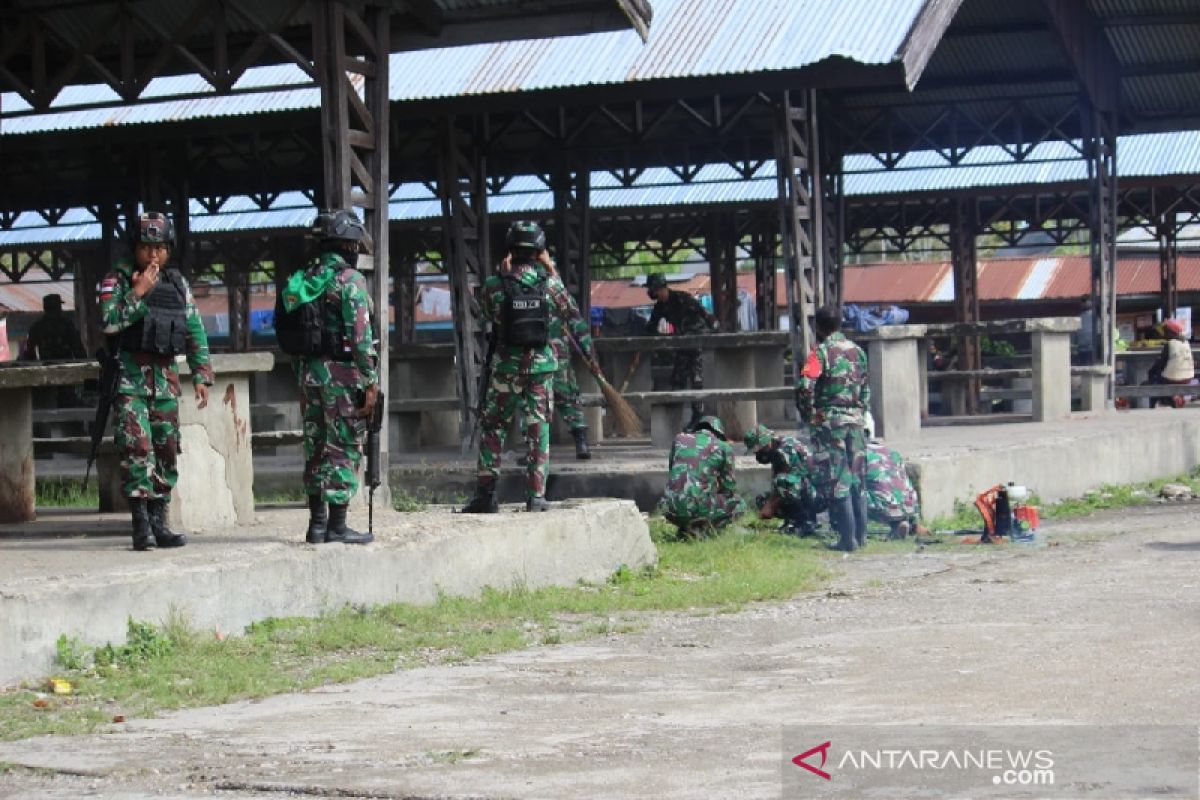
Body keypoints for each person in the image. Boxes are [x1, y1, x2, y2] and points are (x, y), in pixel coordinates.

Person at [98, 210, 213, 551]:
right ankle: (140, 525)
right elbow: (108, 323)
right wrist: (138, 294)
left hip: (165, 380)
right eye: (147, 247)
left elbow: (194, 329)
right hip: (129, 379)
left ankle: (160, 521)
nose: (153, 255)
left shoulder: (177, 283)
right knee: (137, 449)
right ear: (134, 247)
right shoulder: (115, 281)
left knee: (165, 448)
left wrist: (202, 373)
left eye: (160, 248)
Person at [462, 221, 594, 513]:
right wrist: (551, 270)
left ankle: (486, 495)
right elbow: (569, 312)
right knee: (538, 429)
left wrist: (502, 273)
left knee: (492, 428)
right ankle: (535, 497)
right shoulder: (551, 284)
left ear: (509, 249)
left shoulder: (495, 285)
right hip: (539, 370)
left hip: (505, 370)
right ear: (540, 250)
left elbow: (486, 312)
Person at [281, 209, 379, 545]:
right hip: (341, 375)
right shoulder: (349, 280)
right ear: (349, 244)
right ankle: (337, 526)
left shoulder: (304, 279)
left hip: (310, 374)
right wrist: (371, 379)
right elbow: (362, 336)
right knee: (343, 445)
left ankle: (317, 525)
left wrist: (302, 376)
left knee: (316, 445)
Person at [796, 305, 871, 553]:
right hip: (856, 420)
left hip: (831, 423)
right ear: (840, 324)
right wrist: (860, 411)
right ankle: (862, 537)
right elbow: (866, 388)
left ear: (817, 326)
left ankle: (847, 539)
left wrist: (810, 415)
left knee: (838, 478)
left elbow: (805, 385)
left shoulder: (821, 353)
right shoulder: (858, 351)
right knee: (858, 478)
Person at [644, 273, 718, 429]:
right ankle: (673, 420)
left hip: (697, 338)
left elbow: (705, 314)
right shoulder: (660, 306)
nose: (650, 292)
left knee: (696, 380)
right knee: (677, 379)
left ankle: (698, 416)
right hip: (682, 343)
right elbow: (651, 327)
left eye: (652, 289)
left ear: (659, 288)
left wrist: (714, 331)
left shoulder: (682, 298)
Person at [659, 415, 745, 538]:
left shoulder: (679, 439)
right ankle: (705, 530)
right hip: (698, 508)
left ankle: (686, 529)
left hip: (668, 507)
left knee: (688, 496)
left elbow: (674, 472)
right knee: (739, 504)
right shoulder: (723, 447)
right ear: (718, 433)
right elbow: (729, 488)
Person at [743, 423, 820, 536]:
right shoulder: (776, 448)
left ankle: (804, 523)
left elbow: (789, 484)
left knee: (781, 483)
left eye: (759, 449)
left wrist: (770, 506)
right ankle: (791, 521)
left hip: (814, 494)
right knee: (762, 500)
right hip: (801, 489)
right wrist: (768, 504)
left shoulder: (784, 451)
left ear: (766, 442)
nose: (758, 453)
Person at [864, 440, 921, 539]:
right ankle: (900, 525)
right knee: (894, 491)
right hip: (909, 506)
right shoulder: (893, 453)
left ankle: (852, 530)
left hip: (882, 507)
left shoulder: (859, 455)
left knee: (853, 490)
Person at [1145, 317, 1195, 407]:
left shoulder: (1170, 344)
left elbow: (1161, 363)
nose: (1164, 334)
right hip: (1189, 377)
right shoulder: (1186, 343)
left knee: (1151, 383)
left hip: (1173, 378)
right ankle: (1173, 399)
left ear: (1171, 333)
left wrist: (1151, 371)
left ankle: (1153, 406)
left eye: (1166, 331)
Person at [21, 294, 86, 361]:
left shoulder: (37, 327)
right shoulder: (67, 325)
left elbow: (29, 352)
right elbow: (78, 350)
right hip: (66, 366)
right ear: (58, 307)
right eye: (59, 306)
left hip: (46, 367)